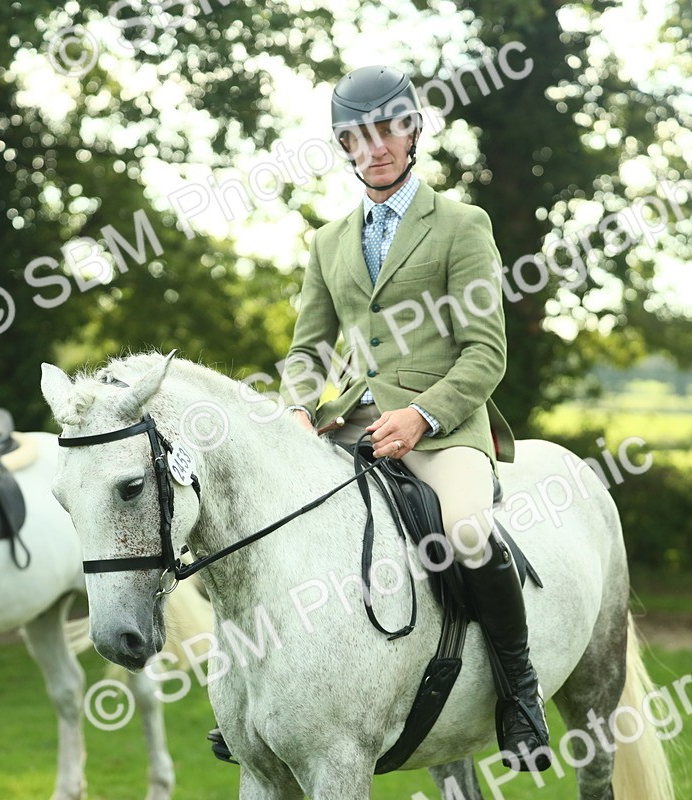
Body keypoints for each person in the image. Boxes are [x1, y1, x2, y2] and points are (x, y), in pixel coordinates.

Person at [272, 65, 552, 771]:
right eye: (357, 136)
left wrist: (423, 418)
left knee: (464, 527)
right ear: (343, 146)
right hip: (352, 424)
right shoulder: (328, 242)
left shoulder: (461, 224)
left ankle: (519, 692)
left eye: (389, 129)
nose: (376, 147)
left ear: (414, 129)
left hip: (444, 425)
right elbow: (308, 349)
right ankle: (262, 694)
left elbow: (487, 352)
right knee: (262, 519)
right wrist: (301, 410)